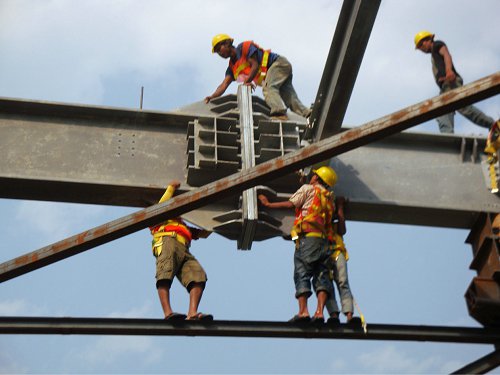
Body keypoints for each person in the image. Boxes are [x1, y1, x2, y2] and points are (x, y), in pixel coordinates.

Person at [258, 166, 337, 323]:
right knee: (321, 276)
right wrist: (294, 239)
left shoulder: (308, 189)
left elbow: (291, 204)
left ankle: (303, 312)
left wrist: (268, 205)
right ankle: (320, 313)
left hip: (308, 239)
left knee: (302, 272)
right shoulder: (329, 198)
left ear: (316, 178)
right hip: (322, 242)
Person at [205, 34, 312, 121]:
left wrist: (246, 82)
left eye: (220, 48)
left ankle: (279, 114)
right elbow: (223, 85)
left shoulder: (244, 47)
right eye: (217, 51)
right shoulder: (232, 67)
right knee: (290, 98)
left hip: (278, 64)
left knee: (268, 88)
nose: (220, 52)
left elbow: (255, 65)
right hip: (275, 72)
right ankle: (308, 115)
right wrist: (212, 97)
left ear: (228, 43)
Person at [149, 180, 212, 321]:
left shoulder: (182, 225)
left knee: (198, 276)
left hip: (184, 248)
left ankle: (192, 314)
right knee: (165, 273)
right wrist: (171, 188)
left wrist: (215, 218)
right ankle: (168, 313)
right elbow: (162, 207)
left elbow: (205, 232)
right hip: (167, 242)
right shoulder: (161, 219)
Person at [414, 31, 497, 134]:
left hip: (450, 82)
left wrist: (449, 71)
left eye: (421, 45)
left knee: (461, 107)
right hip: (445, 87)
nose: (421, 49)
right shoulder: (433, 54)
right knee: (442, 109)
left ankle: (493, 125)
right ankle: (447, 135)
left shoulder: (437, 45)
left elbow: (446, 54)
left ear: (428, 40)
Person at [325, 196, 354, 325]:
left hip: (336, 252)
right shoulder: (317, 220)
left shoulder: (335, 225)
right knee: (326, 284)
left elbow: (342, 230)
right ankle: (334, 314)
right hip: (322, 253)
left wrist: (340, 208)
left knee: (342, 281)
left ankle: (349, 314)